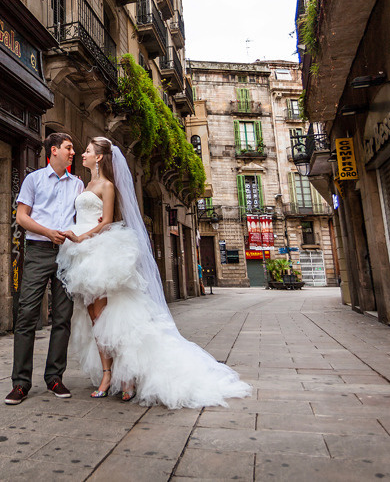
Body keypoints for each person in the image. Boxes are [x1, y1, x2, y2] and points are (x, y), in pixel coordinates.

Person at [56, 137, 251, 408]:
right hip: (82, 255)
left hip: (100, 251)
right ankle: (107, 374)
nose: (83, 154)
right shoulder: (84, 184)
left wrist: (82, 237)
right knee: (94, 320)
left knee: (107, 319)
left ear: (99, 157)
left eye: (88, 151)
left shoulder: (107, 185)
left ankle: (126, 377)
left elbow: (108, 221)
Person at [6, 132, 83, 405]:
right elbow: (21, 217)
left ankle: (54, 377)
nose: (72, 153)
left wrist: (74, 235)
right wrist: (48, 232)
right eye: (68, 148)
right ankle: (21, 383)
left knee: (63, 317)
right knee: (26, 314)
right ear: (54, 151)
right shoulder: (34, 179)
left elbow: (82, 218)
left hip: (67, 254)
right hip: (38, 252)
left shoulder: (77, 184)